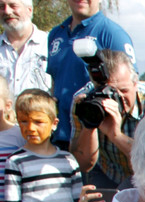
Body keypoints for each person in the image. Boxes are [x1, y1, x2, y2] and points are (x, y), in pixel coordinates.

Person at [46, 0, 134, 150]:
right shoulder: (55, 34)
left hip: (96, 143)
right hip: (58, 137)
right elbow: (55, 81)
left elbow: (129, 88)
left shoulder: (113, 34)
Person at [70, 50, 145, 189]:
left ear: (135, 84)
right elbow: (84, 165)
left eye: (123, 91)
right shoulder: (85, 102)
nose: (118, 97)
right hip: (108, 173)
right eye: (111, 92)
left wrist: (116, 136)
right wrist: (89, 124)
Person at [0, 0, 51, 97]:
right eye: (1, 7)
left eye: (13, 6)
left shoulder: (50, 44)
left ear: (29, 10)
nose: (7, 11)